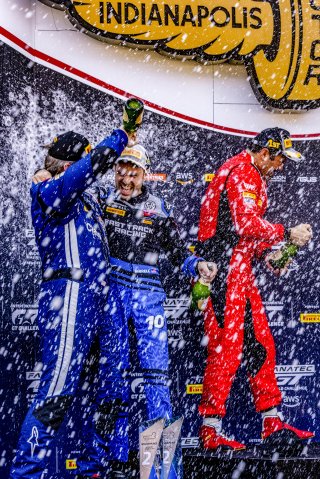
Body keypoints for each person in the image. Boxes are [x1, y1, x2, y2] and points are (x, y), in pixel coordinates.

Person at [10, 127, 131, 479]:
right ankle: (26, 473)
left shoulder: (86, 198)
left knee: (111, 387)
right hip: (69, 294)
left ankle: (94, 468)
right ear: (68, 166)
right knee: (57, 389)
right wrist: (121, 134)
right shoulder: (50, 189)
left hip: (99, 297)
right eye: (81, 162)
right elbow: (92, 165)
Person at [89, 144, 217, 472]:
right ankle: (110, 463)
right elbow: (69, 194)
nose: (126, 177)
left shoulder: (158, 207)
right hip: (112, 295)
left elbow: (178, 253)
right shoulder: (102, 198)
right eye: (121, 169)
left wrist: (198, 265)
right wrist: (43, 177)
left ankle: (162, 470)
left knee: (157, 383)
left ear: (144, 174)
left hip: (148, 298)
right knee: (111, 379)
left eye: (133, 171)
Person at [195, 127, 314, 450]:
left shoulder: (250, 172)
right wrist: (285, 233)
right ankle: (209, 432)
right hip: (221, 271)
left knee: (262, 344)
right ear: (265, 153)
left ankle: (271, 423)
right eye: (279, 161)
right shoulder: (243, 172)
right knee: (225, 350)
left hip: (239, 270)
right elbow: (242, 224)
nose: (281, 167)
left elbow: (243, 235)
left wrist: (268, 255)